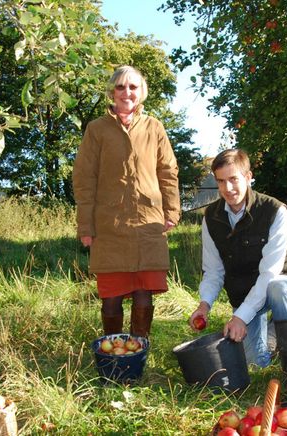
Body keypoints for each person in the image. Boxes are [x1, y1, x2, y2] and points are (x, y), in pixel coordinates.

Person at [72, 65, 181, 339]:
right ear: (112, 92)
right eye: (120, 87)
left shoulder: (154, 127)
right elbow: (85, 178)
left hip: (148, 224)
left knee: (144, 294)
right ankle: (113, 355)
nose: (126, 92)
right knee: (111, 296)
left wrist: (172, 211)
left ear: (141, 91)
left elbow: (168, 171)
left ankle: (139, 352)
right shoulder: (96, 129)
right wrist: (86, 226)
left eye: (133, 86)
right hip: (110, 227)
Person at [187, 149, 287, 398]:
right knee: (254, 362)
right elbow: (214, 271)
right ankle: (275, 330)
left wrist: (240, 317)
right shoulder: (212, 217)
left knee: (278, 288)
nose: (228, 188)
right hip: (243, 294)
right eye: (220, 181)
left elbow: (270, 273)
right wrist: (204, 305)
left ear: (248, 176)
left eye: (234, 179)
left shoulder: (274, 210)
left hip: (276, 283)